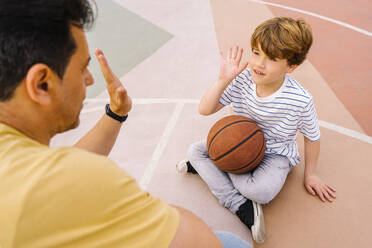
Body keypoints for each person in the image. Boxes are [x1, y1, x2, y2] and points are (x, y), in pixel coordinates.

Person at [0, 0, 252, 247]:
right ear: (42, 84)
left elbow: (50, 174)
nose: (88, 80)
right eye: (82, 69)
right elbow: (203, 242)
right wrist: (141, 211)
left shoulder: (28, 173)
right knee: (230, 243)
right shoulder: (79, 181)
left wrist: (116, 114)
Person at [177, 17, 337, 243]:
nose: (259, 64)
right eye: (256, 52)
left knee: (261, 192)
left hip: (276, 153)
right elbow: (205, 109)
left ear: (291, 66)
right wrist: (223, 80)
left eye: (271, 58)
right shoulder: (243, 79)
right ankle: (239, 205)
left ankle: (216, 167)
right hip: (240, 143)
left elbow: (313, 137)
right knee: (195, 150)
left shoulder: (300, 100)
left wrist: (311, 174)